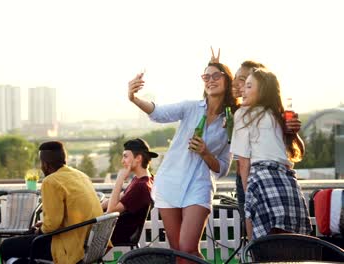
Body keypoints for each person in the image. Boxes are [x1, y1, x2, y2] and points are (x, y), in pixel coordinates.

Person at [127, 62, 234, 257]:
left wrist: (205, 153)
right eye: (206, 77)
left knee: (186, 247)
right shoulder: (191, 108)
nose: (210, 80)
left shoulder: (231, 121)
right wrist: (134, 98)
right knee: (180, 252)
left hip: (199, 186)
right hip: (170, 183)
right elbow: (158, 113)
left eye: (216, 76)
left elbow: (224, 168)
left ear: (228, 80)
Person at [230, 68, 312, 240]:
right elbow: (298, 153)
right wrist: (294, 133)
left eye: (249, 86)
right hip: (289, 182)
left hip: (262, 178)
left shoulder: (242, 114)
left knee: (262, 242)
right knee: (294, 242)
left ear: (262, 90)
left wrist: (247, 201)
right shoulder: (278, 114)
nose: (243, 90)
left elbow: (244, 163)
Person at [0, 141, 103, 264]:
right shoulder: (81, 176)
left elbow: (52, 225)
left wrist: (40, 230)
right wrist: (44, 225)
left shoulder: (51, 181)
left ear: (45, 164)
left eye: (41, 163)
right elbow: (67, 215)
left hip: (68, 246)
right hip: (88, 243)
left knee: (7, 246)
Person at [102, 138, 155, 244]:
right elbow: (118, 198)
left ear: (138, 158)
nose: (122, 161)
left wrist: (119, 180)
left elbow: (111, 211)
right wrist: (94, 206)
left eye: (125, 156)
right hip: (111, 230)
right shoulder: (141, 180)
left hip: (114, 234)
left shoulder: (141, 186)